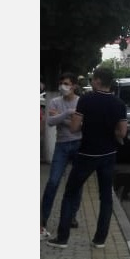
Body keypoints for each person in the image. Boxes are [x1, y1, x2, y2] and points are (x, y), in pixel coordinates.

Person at [45, 68, 128, 249]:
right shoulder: (119, 103)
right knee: (106, 197)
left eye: (93, 79)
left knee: (70, 193)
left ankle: (63, 238)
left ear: (97, 81)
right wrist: (108, 131)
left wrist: (86, 125)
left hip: (87, 154)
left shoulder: (86, 100)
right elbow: (122, 132)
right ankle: (100, 239)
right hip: (109, 155)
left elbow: (74, 128)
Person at [40, 74, 82, 240]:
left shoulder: (80, 102)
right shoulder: (55, 101)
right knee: (53, 181)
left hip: (79, 144)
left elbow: (80, 126)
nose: (62, 86)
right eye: (61, 83)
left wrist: (61, 117)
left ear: (74, 86)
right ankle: (43, 219)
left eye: (66, 84)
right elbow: (50, 122)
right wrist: (69, 115)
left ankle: (72, 216)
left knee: (76, 184)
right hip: (61, 145)